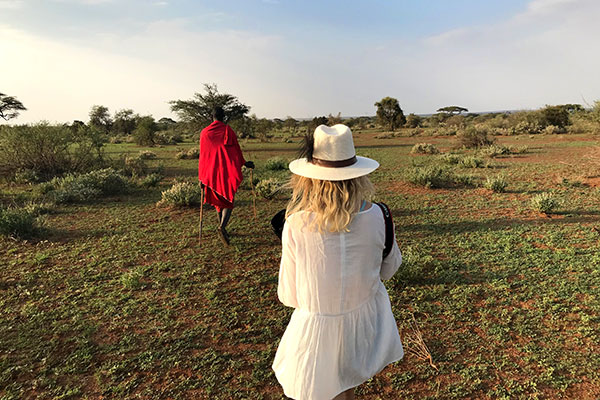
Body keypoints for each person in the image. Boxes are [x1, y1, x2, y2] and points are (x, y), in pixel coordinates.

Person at [272, 124, 404, 400]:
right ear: (357, 174)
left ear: (309, 178)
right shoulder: (380, 215)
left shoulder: (295, 224)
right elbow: (389, 269)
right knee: (346, 385)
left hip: (315, 331)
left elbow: (288, 295)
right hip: (364, 322)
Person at [198, 106, 254, 245]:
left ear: (212, 117)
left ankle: (222, 227)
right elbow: (236, 152)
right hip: (226, 172)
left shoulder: (204, 133)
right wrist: (245, 163)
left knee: (218, 201)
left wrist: (201, 177)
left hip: (210, 173)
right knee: (228, 200)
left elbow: (203, 157)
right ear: (224, 117)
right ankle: (222, 227)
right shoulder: (228, 131)